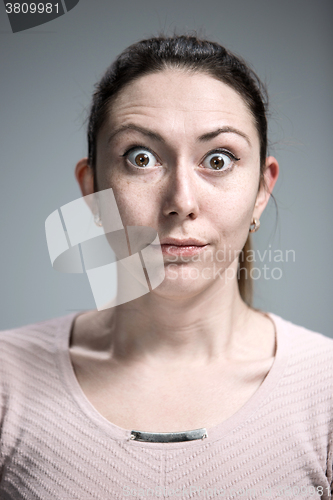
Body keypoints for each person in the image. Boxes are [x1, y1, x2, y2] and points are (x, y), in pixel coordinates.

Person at [0, 34, 332, 500]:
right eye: (141, 158)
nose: (181, 202)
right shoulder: (6, 379)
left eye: (218, 159)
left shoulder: (326, 391)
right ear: (92, 189)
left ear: (262, 189)